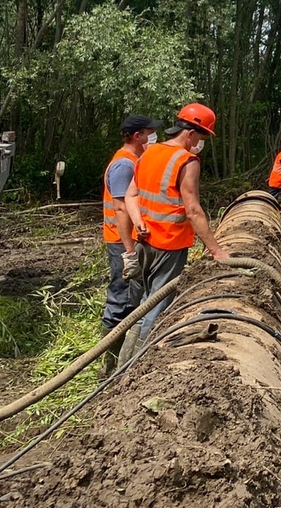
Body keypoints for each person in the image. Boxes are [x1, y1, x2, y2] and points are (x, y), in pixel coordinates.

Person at [125, 102, 230, 339]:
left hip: (143, 240)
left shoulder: (149, 152)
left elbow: (131, 194)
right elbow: (193, 209)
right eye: (202, 137)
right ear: (191, 133)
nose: (201, 144)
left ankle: (124, 360)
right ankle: (138, 363)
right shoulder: (187, 161)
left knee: (143, 306)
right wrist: (216, 251)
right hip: (169, 244)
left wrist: (138, 220)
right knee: (157, 306)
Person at [100, 114, 162, 367]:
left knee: (131, 297)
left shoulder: (133, 161)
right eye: (150, 133)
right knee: (123, 298)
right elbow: (121, 208)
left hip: (126, 240)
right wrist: (129, 252)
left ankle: (116, 359)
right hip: (121, 241)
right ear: (138, 136)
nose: (153, 137)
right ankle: (110, 362)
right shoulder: (125, 165)